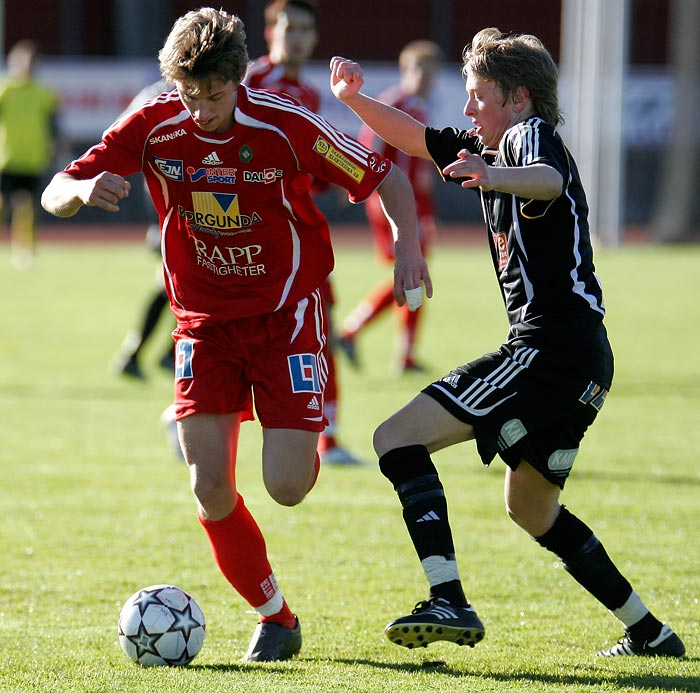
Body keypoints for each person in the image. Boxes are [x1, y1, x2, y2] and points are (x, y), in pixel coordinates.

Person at [41, 7, 430, 663]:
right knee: (209, 486)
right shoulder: (154, 122)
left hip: (284, 318)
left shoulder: (282, 125)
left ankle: (262, 426)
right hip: (202, 324)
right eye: (188, 94)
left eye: (212, 95)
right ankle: (277, 617)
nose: (198, 109)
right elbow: (58, 185)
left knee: (287, 485)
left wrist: (408, 248)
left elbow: (385, 174)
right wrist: (77, 193)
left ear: (237, 80)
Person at [329, 29, 686, 658]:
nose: (467, 111)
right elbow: (413, 137)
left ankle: (448, 599)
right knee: (531, 508)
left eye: (478, 97)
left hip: (549, 348)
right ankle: (649, 631)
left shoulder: (526, 138)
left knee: (395, 438)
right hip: (585, 359)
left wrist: (492, 172)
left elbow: (547, 179)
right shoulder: (495, 143)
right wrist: (352, 99)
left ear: (518, 99)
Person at [245, 0, 363, 465]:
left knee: (320, 326)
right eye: (289, 27)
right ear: (271, 30)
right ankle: (184, 413)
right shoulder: (248, 81)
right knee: (232, 332)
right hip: (246, 235)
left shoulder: (312, 95)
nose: (296, 37)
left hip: (294, 237)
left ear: (315, 38)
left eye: (306, 29)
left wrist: (326, 179)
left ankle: (328, 438)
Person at [338, 40, 442, 376]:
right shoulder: (394, 104)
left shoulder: (418, 107)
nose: (426, 79)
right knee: (411, 270)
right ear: (406, 69)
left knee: (413, 271)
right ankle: (354, 331)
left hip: (414, 203)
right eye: (420, 70)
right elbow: (370, 149)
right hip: (392, 202)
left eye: (432, 72)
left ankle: (404, 352)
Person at [109, 78, 176, 381]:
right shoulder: (156, 95)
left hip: (198, 210)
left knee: (174, 284)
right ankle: (161, 354)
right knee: (182, 282)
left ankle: (151, 355)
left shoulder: (219, 91)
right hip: (171, 212)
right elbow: (119, 138)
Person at [0, 40, 59, 270]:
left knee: (27, 207)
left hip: (33, 158)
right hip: (7, 158)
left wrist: (55, 146)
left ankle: (24, 249)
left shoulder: (43, 94)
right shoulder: (5, 90)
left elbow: (53, 125)